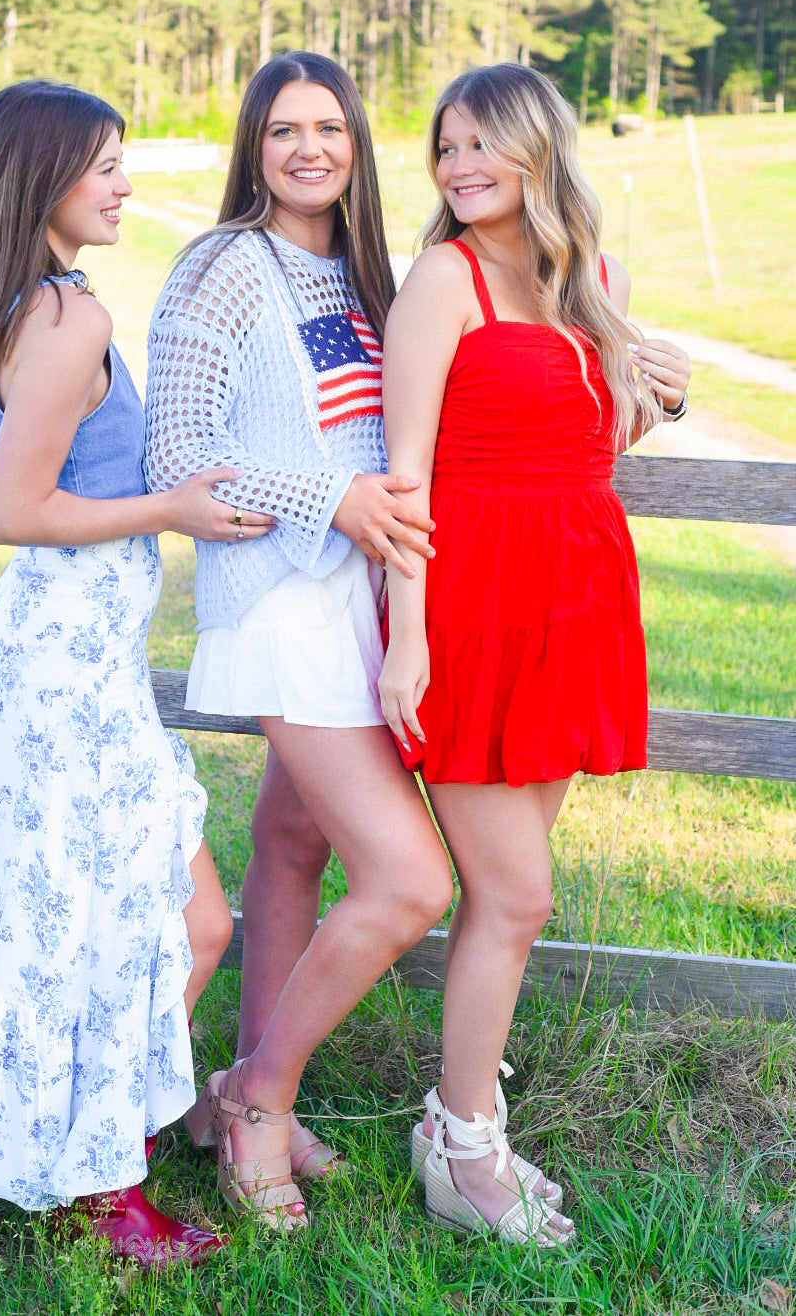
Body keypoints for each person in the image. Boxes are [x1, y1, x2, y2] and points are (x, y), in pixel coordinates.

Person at [0, 79, 273, 1266]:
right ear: (42, 176)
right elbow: (15, 508)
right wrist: (180, 509)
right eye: (102, 165)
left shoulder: (30, 302)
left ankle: (77, 1149)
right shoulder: (66, 318)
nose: (123, 183)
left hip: (70, 654)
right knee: (157, 924)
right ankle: (98, 1189)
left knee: (156, 917)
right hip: (64, 661)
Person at [379, 63, 691, 1246]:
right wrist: (407, 636)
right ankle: (463, 1151)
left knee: (507, 898)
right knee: (516, 893)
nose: (458, 168)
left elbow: (591, 433)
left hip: (576, 600)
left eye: (479, 146)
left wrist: (662, 396)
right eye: (444, 149)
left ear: (535, 148)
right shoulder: (440, 282)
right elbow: (406, 476)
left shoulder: (590, 278)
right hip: (472, 608)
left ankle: (459, 1123)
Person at [145, 51, 453, 1231]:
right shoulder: (224, 266)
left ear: (357, 144)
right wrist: (330, 498)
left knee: (288, 845)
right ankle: (257, 1097)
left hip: (358, 601)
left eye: (329, 127)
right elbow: (176, 454)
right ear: (253, 146)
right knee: (412, 878)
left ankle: (226, 1102)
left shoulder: (370, 272)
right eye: (284, 130)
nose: (308, 148)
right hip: (280, 599)